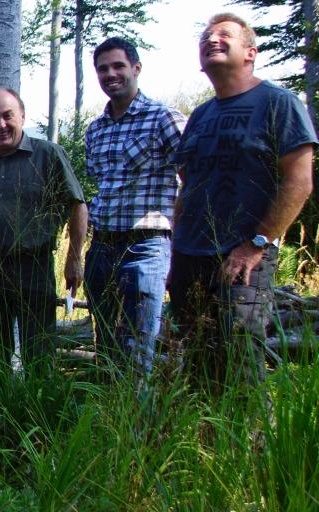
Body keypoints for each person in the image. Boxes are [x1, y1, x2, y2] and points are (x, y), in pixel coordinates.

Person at [170, 13, 315, 396]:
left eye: (224, 34)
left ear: (251, 52)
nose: (212, 39)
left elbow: (299, 181)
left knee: (240, 360)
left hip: (243, 257)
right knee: (197, 358)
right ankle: (203, 444)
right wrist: (175, 252)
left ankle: (248, 448)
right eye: (206, 36)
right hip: (189, 255)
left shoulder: (277, 103)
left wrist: (256, 245)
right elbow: (189, 184)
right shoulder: (200, 115)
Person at [0, 87, 88, 383]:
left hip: (34, 267)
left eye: (7, 116)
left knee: (38, 352)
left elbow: (78, 206)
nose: (1, 124)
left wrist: (75, 259)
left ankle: (38, 423)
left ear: (22, 116)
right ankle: (1, 420)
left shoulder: (48, 155)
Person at [83, 37, 185, 378]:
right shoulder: (95, 130)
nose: (110, 74)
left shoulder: (164, 118)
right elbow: (99, 185)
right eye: (103, 69)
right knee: (106, 341)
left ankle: (138, 425)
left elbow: (193, 177)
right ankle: (109, 421)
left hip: (146, 245)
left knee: (137, 344)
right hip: (101, 246)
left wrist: (179, 243)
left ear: (136, 69)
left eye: (118, 66)